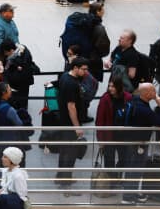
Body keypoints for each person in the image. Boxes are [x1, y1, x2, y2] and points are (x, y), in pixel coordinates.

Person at [121, 83, 160, 204]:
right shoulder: (144, 110)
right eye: (153, 91)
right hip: (138, 144)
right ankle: (128, 197)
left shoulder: (135, 101)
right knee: (135, 170)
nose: (156, 93)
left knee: (133, 169)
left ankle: (131, 192)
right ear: (147, 94)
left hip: (131, 141)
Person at [55, 58, 89, 189]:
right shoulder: (72, 84)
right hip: (70, 123)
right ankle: (65, 180)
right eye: (84, 69)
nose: (86, 72)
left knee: (64, 150)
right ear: (75, 68)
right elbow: (71, 106)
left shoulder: (64, 77)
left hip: (63, 121)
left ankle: (60, 177)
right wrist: (77, 127)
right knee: (70, 152)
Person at [97, 76, 132, 170]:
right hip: (109, 135)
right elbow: (100, 120)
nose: (110, 88)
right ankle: (110, 180)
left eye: (113, 86)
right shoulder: (105, 99)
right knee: (109, 161)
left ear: (119, 86)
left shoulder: (128, 97)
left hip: (123, 136)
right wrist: (100, 139)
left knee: (124, 159)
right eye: (109, 86)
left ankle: (118, 176)